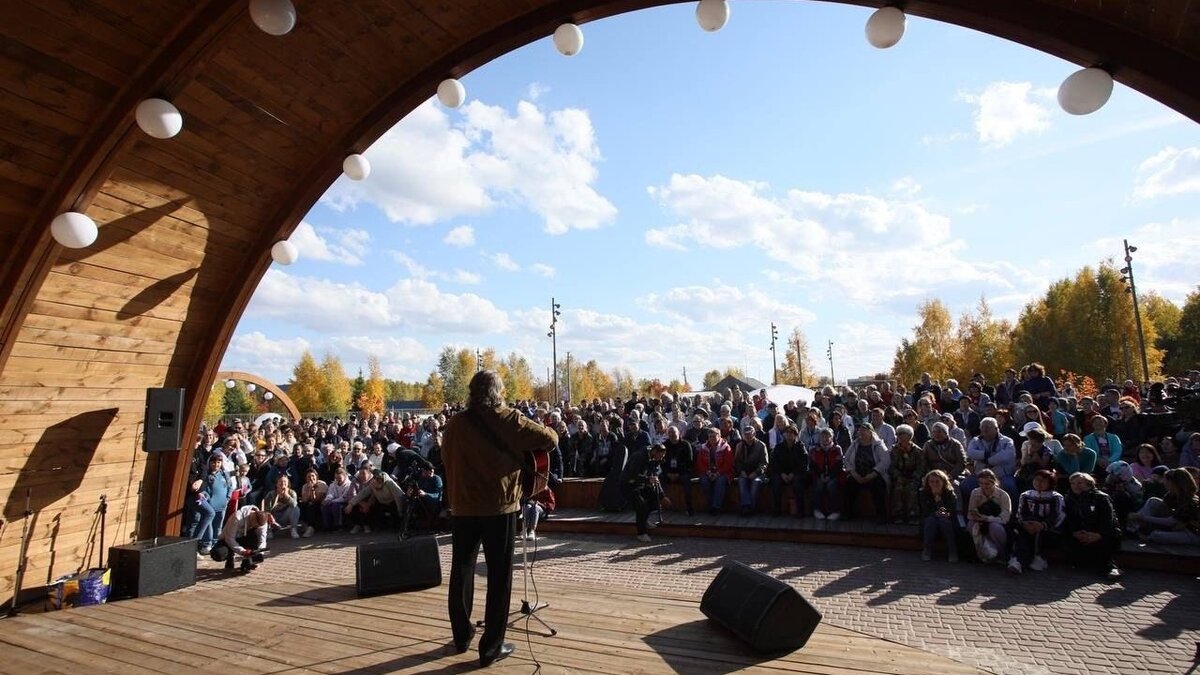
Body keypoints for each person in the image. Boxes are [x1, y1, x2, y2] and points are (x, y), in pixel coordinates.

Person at [442, 371, 558, 667]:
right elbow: (551, 440)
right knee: (499, 577)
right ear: (497, 392)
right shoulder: (508, 419)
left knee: (461, 571)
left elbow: (445, 458)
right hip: (499, 509)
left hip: (463, 509)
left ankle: (461, 636)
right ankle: (491, 647)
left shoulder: (455, 423)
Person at [1063, 472, 1122, 581]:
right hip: (1081, 533)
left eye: (1080, 483)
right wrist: (1075, 532)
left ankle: (1111, 567)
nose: (1076, 486)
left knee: (1107, 542)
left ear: (1089, 484)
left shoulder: (1101, 498)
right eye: (1073, 483)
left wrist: (1098, 535)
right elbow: (1069, 519)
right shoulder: (1068, 499)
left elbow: (1108, 520)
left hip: (1101, 532)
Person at [1009, 470, 1065, 574]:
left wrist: (1043, 525)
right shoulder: (1026, 495)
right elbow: (1020, 512)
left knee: (1038, 535)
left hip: (1047, 528)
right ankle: (1018, 561)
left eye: (1043, 481)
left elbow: (1058, 515)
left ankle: (1037, 557)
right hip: (1028, 525)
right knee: (1021, 534)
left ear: (1050, 483)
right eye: (1037, 480)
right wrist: (1025, 523)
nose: (1039, 483)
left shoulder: (1056, 497)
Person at [1128, 468, 1200, 546]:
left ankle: (1147, 537)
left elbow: (1171, 521)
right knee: (1153, 501)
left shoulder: (1190, 501)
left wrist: (1142, 517)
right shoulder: (1171, 496)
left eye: (1167, 481)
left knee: (1156, 535)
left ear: (1174, 483)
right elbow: (1165, 509)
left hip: (1191, 533)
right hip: (1178, 527)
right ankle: (1133, 529)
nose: (1164, 483)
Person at [842, 423, 890, 523]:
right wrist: (854, 473)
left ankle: (881, 515)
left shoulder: (878, 444)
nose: (861, 433)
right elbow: (846, 459)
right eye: (860, 430)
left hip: (874, 474)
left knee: (878, 487)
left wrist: (873, 474)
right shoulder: (855, 443)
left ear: (871, 432)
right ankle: (847, 513)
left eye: (864, 430)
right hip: (857, 474)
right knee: (848, 485)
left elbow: (885, 460)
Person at [623, 443, 667, 542]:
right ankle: (641, 533)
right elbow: (632, 475)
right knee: (641, 505)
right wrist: (647, 479)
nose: (660, 458)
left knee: (654, 499)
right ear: (655, 451)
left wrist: (662, 495)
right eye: (660, 456)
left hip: (641, 484)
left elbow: (654, 476)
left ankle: (644, 520)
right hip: (629, 485)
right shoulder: (639, 457)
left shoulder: (653, 459)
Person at [966, 469, 1011, 563]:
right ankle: (978, 553)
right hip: (980, 521)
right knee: (971, 525)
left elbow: (1005, 518)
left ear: (994, 482)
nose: (984, 486)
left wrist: (987, 519)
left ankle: (1000, 554)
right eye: (981, 483)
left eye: (987, 484)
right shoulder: (975, 492)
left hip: (997, 523)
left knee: (995, 527)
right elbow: (970, 513)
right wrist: (977, 516)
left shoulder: (1003, 495)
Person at [212, 505, 274, 573]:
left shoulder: (263, 523)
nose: (257, 527)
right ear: (252, 517)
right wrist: (242, 551)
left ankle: (248, 563)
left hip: (246, 538)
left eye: (258, 526)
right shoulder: (237, 517)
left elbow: (262, 539)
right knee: (218, 554)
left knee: (259, 555)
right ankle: (230, 557)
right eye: (256, 525)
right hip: (228, 539)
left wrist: (259, 552)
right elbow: (229, 538)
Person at [918, 469, 959, 563]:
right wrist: (936, 513)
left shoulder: (950, 494)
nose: (934, 484)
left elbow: (951, 511)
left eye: (937, 481)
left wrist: (939, 501)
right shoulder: (923, 494)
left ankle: (952, 551)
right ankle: (927, 550)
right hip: (929, 519)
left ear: (943, 482)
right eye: (931, 482)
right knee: (930, 521)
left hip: (946, 520)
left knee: (944, 521)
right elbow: (924, 511)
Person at [768, 424, 809, 517]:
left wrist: (793, 474)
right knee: (776, 481)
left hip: (796, 473)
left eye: (792, 433)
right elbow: (774, 463)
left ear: (795, 435)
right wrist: (782, 473)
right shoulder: (779, 447)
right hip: (781, 473)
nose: (789, 435)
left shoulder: (800, 446)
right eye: (787, 433)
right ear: (784, 435)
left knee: (798, 483)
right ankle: (776, 509)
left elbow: (803, 464)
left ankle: (800, 510)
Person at [889, 424, 924, 524]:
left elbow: (921, 467)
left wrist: (915, 476)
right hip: (899, 475)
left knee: (912, 488)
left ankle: (913, 515)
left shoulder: (917, 451)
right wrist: (897, 475)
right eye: (898, 434)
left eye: (901, 434)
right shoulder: (894, 450)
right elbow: (891, 466)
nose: (898, 436)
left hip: (913, 476)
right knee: (898, 487)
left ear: (909, 436)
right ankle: (898, 515)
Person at [695, 427, 734, 515]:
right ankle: (711, 504)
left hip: (723, 472)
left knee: (720, 481)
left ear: (719, 436)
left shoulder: (725, 447)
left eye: (714, 436)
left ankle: (716, 507)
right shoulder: (703, 447)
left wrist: (718, 473)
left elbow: (728, 464)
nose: (712, 438)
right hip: (707, 472)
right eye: (710, 436)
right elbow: (700, 463)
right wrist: (708, 472)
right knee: (704, 481)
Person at [733, 425, 769, 516]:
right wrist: (741, 471)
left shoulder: (761, 445)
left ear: (754, 434)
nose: (748, 436)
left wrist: (756, 473)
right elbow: (737, 462)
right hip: (744, 472)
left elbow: (764, 463)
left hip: (757, 473)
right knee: (741, 482)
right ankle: (747, 507)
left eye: (750, 434)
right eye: (746, 434)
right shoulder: (739, 445)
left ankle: (750, 508)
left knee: (755, 483)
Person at [661, 425, 695, 516]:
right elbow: (661, 462)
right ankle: (659, 506)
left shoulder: (686, 444)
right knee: (658, 480)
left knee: (687, 481)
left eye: (674, 432)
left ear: (679, 433)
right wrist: (668, 473)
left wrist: (678, 474)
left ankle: (689, 507)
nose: (672, 434)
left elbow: (689, 462)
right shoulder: (664, 446)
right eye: (670, 433)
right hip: (668, 473)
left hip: (682, 472)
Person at [811, 427, 844, 520]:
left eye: (827, 436)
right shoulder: (814, 449)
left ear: (832, 437)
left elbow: (839, 466)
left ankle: (835, 511)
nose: (825, 439)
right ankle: (817, 510)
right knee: (818, 485)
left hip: (833, 475)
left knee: (832, 486)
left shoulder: (837, 449)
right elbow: (813, 465)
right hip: (819, 475)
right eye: (823, 436)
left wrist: (830, 476)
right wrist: (820, 475)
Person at [262, 474, 301, 539]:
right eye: (280, 481)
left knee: (296, 508)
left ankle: (294, 529)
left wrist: (286, 495)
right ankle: (269, 530)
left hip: (285, 516)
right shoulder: (271, 494)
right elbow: (267, 509)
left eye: (285, 482)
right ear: (276, 484)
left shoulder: (292, 493)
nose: (283, 483)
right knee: (265, 513)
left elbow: (294, 505)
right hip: (274, 517)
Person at [321, 467, 355, 531]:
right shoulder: (333, 484)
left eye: (339, 478)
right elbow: (330, 494)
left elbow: (344, 498)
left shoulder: (349, 485)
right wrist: (327, 500)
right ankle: (327, 525)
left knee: (335, 506)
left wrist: (331, 501)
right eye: (336, 478)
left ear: (344, 476)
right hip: (334, 501)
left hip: (344, 502)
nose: (337, 480)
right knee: (325, 506)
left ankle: (338, 525)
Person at [297, 469, 326, 537]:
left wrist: (312, 490)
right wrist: (309, 490)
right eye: (308, 477)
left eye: (313, 476)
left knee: (311, 505)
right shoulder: (304, 486)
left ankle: (311, 527)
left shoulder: (322, 484)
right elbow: (304, 499)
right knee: (302, 505)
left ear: (316, 476)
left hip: (320, 504)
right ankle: (305, 525)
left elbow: (315, 500)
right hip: (309, 503)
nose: (311, 478)